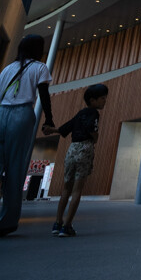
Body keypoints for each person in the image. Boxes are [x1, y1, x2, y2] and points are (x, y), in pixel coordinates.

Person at [0, 34, 53, 240]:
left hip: (0, 115)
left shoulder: (7, 68)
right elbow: (43, 94)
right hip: (22, 115)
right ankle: (7, 223)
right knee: (15, 168)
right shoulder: (40, 67)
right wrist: (49, 119)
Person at [49, 83, 108, 236]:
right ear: (93, 100)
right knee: (77, 190)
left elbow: (65, 128)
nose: (104, 101)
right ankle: (67, 226)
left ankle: (57, 223)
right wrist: (95, 137)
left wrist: (52, 129)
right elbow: (92, 129)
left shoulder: (80, 113)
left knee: (66, 188)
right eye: (102, 98)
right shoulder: (94, 113)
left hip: (72, 149)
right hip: (85, 149)